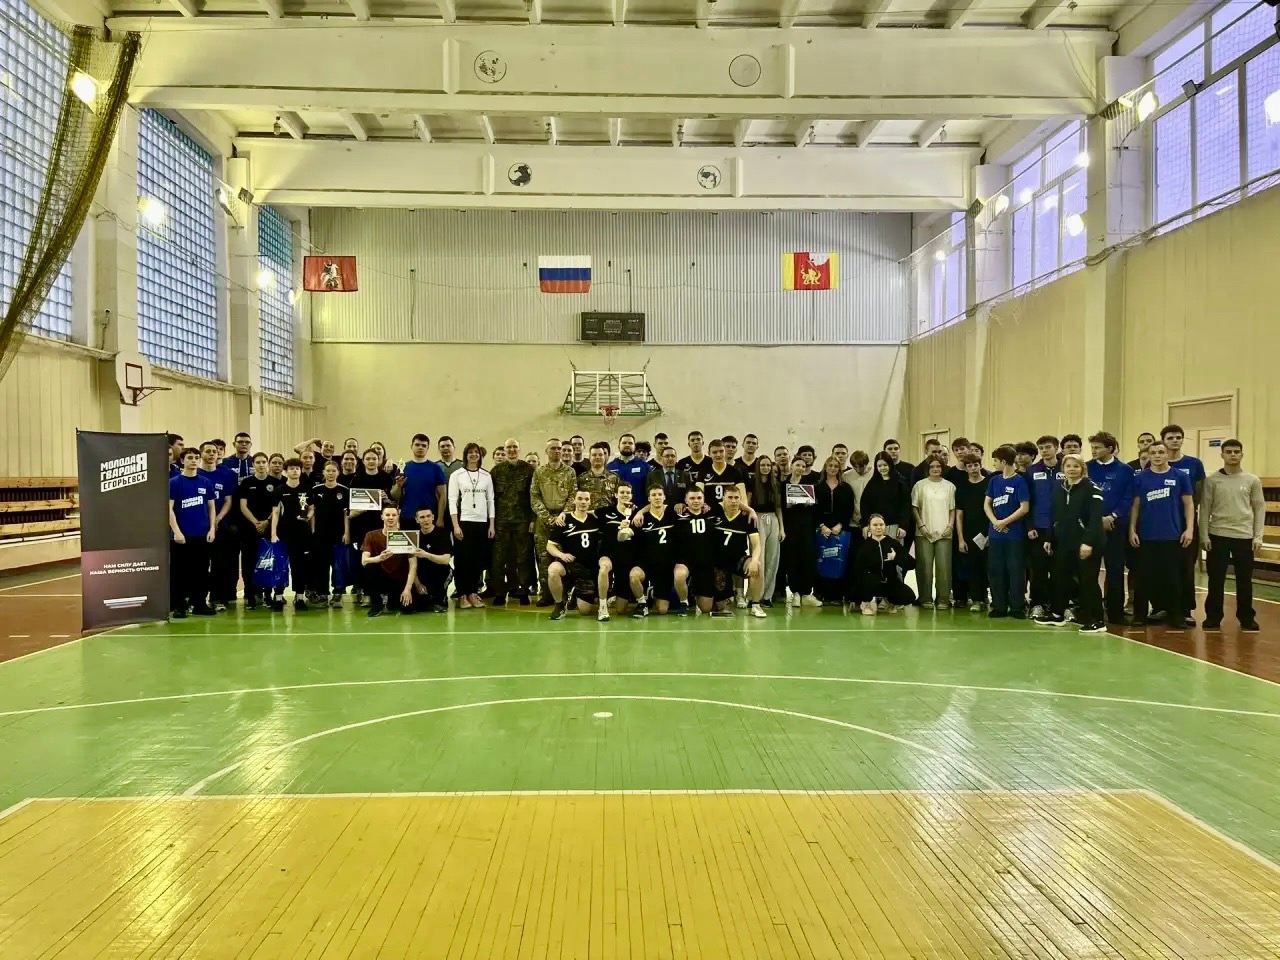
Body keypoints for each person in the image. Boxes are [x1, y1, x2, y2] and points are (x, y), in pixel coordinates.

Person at [1129, 440, 1195, 630]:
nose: (1157, 456)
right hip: (1146, 536)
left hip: (1172, 536)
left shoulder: (1180, 476)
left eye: (1160, 452)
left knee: (1174, 578)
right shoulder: (1140, 478)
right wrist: (1132, 529)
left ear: (1167, 455)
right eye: (1153, 453)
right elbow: (1135, 505)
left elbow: (1189, 504)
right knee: (1143, 578)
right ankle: (1140, 615)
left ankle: (1176, 616)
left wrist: (1189, 529)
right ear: (1148, 456)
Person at [1036, 453, 1106, 631]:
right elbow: (1054, 514)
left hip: (1086, 543)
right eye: (1068, 466)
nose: (1072, 469)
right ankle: (1057, 614)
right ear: (1063, 469)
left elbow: (1095, 519)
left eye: (1076, 466)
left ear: (1082, 468)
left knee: (1087, 581)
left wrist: (1088, 542)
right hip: (1063, 542)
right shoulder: (1059, 488)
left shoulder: (1092, 489)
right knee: (1059, 578)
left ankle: (1096, 620)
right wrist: (1049, 538)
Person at [1201, 439, 1264, 632]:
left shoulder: (1252, 480)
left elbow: (1259, 508)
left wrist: (1258, 536)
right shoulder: (1212, 480)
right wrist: (1204, 535)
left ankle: (1246, 617)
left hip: (1244, 537)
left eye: (1236, 451)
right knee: (1216, 580)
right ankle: (1213, 617)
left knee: (1244, 580)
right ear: (1222, 455)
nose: (1233, 455)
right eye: (1229, 452)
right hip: (1218, 535)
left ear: (1242, 455)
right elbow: (1205, 509)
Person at [1087, 432, 1136, 625]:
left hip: (1116, 526)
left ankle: (1115, 612)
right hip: (1092, 527)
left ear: (1110, 448)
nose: (1093, 451)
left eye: (1097, 448)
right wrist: (1096, 519)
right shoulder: (1087, 468)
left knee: (1115, 571)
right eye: (1092, 447)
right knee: (1090, 571)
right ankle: (1093, 611)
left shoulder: (1125, 470)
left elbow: (1128, 497)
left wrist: (1113, 516)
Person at [1162, 423, 1207, 626]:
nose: (1174, 441)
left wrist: (1189, 521)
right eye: (1170, 437)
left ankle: (1185, 609)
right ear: (1164, 441)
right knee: (1163, 567)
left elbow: (1199, 494)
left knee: (1186, 567)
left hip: (1185, 522)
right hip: (1162, 523)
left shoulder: (1194, 464)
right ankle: (1162, 607)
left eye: (1178, 437)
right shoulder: (1156, 463)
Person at [168, 448, 216, 619]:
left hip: (201, 535)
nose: (194, 460)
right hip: (181, 537)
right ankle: (179, 606)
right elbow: (169, 509)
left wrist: (212, 528)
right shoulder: (174, 483)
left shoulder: (206, 482)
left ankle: (199, 603)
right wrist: (176, 531)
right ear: (182, 461)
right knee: (179, 572)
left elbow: (211, 507)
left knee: (201, 572)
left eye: (196, 457)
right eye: (190, 457)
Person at [984, 445, 1031, 619]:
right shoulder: (994, 481)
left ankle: (1017, 606)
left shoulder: (1019, 481)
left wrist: (1005, 522)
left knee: (1016, 570)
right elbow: (987, 504)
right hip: (996, 534)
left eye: (996, 460)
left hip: (1014, 534)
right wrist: (995, 522)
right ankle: (999, 605)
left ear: (1004, 461)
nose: (994, 464)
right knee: (996, 570)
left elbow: (1024, 507)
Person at [531, 438, 579, 605]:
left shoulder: (570, 472)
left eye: (559, 448)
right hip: (544, 522)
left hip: (564, 520)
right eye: (553, 448)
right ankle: (546, 594)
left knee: (565, 558)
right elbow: (534, 496)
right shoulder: (539, 472)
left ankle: (564, 594)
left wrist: (563, 514)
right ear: (546, 451)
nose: (557, 451)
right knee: (544, 558)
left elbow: (573, 495)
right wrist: (547, 517)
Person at [346, 448, 395, 606]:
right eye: (368, 459)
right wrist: (359, 509)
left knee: (384, 557)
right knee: (365, 558)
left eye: (374, 458)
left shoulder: (386, 478)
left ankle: (383, 592)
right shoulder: (357, 478)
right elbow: (351, 506)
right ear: (363, 461)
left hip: (381, 524)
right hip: (362, 526)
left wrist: (386, 499)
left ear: (379, 460)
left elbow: (393, 502)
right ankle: (366, 592)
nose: (371, 461)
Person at [449, 442, 495, 608]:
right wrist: (455, 525)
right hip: (464, 522)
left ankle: (473, 593)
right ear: (465, 455)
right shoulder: (457, 475)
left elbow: (490, 501)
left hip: (482, 523)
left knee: (477, 560)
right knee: (463, 560)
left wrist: (491, 524)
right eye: (470, 452)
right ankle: (462, 594)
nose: (474, 455)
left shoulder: (486, 476)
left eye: (477, 452)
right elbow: (452, 501)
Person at [490, 438, 535, 606]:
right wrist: (491, 522)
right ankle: (500, 592)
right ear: (505, 450)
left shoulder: (528, 469)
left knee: (523, 558)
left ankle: (523, 591)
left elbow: (533, 496)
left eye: (515, 447)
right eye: (508, 447)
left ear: (519, 449)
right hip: (501, 522)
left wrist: (533, 519)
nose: (512, 450)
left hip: (522, 521)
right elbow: (491, 498)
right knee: (499, 558)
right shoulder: (496, 471)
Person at [547, 490, 604, 621]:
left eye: (586, 499)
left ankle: (574, 594)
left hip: (587, 569)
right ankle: (559, 605)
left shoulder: (595, 520)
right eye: (580, 499)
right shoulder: (564, 520)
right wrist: (561, 555)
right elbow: (549, 546)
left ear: (590, 502)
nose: (583, 502)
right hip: (569, 565)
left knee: (585, 611)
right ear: (574, 500)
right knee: (553, 569)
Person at [197, 440, 239, 611]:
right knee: (200, 565)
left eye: (214, 451)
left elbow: (228, 501)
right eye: (208, 451)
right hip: (199, 528)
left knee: (220, 564)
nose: (212, 454)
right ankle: (197, 600)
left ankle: (217, 598)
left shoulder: (227, 475)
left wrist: (218, 518)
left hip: (220, 527)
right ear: (201, 454)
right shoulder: (195, 474)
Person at [1025, 436, 1064, 618]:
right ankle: (1037, 604)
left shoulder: (1066, 468)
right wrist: (1029, 526)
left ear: (1056, 448)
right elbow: (1027, 501)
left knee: (1060, 569)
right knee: (1038, 569)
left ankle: (1060, 606)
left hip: (1061, 527)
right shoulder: (1032, 471)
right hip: (1038, 527)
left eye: (1048, 447)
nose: (1044, 451)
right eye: (1041, 448)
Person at [236, 453, 281, 611]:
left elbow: (277, 507)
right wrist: (255, 522)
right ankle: (250, 596)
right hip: (249, 529)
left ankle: (268, 595)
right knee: (249, 563)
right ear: (253, 464)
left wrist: (267, 521)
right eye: (258, 462)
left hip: (269, 529)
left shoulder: (275, 483)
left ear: (267, 464)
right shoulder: (246, 483)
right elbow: (243, 506)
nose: (261, 465)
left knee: (268, 562)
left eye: (263, 462)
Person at [848, 514, 916, 615]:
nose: (878, 527)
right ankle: (865, 603)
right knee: (868, 580)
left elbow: (911, 564)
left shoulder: (893, 543)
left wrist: (896, 557)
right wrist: (854, 597)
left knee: (908, 596)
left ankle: (890, 602)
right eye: (875, 525)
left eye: (881, 524)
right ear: (869, 527)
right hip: (871, 582)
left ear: (885, 526)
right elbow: (856, 570)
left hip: (889, 582)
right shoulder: (864, 546)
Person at [270, 458, 314, 612]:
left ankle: (299, 597)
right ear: (285, 471)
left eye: (297, 468)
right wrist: (273, 534)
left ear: (301, 471)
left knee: (299, 566)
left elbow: (311, 508)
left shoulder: (307, 489)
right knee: (280, 566)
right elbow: (275, 513)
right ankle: (278, 597)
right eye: (291, 468)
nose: (295, 471)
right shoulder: (279, 490)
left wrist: (307, 517)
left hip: (301, 534)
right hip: (283, 533)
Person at [629, 486, 681, 617]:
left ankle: (652, 593)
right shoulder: (641, 518)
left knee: (662, 610)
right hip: (647, 563)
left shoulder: (672, 513)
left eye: (659, 495)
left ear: (664, 497)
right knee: (634, 576)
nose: (657, 497)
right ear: (649, 499)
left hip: (665, 566)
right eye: (653, 495)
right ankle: (642, 603)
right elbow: (629, 535)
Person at [912, 457, 955, 608]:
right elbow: (914, 507)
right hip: (924, 532)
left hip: (944, 532)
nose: (935, 469)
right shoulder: (920, 485)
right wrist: (921, 526)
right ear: (927, 469)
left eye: (938, 466)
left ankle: (943, 598)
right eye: (932, 466)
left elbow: (952, 508)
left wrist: (950, 526)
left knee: (944, 567)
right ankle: (925, 598)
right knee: (924, 566)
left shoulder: (950, 486)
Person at [361, 504, 417, 617]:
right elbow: (364, 561)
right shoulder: (371, 535)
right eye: (387, 515)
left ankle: (392, 600)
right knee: (369, 567)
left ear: (398, 516)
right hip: (382, 578)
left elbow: (413, 565)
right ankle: (376, 604)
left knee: (407, 610)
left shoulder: (407, 536)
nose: (390, 518)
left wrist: (407, 589)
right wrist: (379, 558)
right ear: (382, 517)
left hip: (400, 580)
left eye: (393, 515)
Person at [779, 456, 820, 607]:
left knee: (807, 558)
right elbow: (779, 507)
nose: (800, 468)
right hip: (790, 527)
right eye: (798, 465)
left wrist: (811, 503)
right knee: (792, 558)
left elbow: (815, 508)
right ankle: (795, 592)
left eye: (803, 466)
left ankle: (806, 593)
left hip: (806, 527)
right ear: (791, 466)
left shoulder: (809, 486)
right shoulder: (783, 485)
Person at [813, 456, 855, 604]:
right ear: (825, 467)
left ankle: (837, 595)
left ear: (839, 469)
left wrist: (840, 525)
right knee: (822, 560)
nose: (833, 468)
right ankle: (821, 593)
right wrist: (822, 526)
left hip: (840, 530)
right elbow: (814, 509)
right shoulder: (817, 487)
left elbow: (849, 508)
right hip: (822, 530)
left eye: (836, 466)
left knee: (838, 560)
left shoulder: (846, 488)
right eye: (830, 465)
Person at [309, 459, 351, 607]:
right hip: (321, 533)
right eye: (328, 471)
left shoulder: (344, 491)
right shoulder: (316, 490)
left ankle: (338, 593)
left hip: (338, 534)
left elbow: (346, 514)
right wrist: (313, 531)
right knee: (322, 564)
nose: (331, 473)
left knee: (338, 564)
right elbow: (312, 512)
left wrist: (347, 532)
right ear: (324, 473)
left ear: (338, 472)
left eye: (334, 471)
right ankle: (323, 594)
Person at [595, 484, 639, 620]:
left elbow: (622, 538)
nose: (625, 494)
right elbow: (585, 512)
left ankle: (615, 596)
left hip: (626, 559)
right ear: (616, 495)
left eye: (628, 492)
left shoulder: (636, 514)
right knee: (604, 568)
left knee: (621, 610)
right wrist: (564, 514)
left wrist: (624, 529)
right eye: (622, 492)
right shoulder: (605, 512)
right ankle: (602, 607)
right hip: (608, 554)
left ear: (631, 495)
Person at [954, 453, 990, 611]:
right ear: (966, 468)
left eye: (976, 465)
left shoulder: (989, 484)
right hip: (970, 533)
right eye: (970, 466)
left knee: (988, 567)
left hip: (989, 531)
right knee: (973, 567)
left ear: (980, 465)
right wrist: (961, 539)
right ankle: (977, 600)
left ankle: (987, 595)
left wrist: (991, 533)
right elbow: (959, 515)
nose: (973, 468)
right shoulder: (962, 488)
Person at [748, 456, 784, 606]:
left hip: (773, 520)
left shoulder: (775, 484)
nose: (766, 468)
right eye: (763, 465)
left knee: (772, 559)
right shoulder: (752, 482)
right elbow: (748, 504)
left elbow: (778, 508)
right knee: (759, 559)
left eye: (768, 465)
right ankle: (755, 595)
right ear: (758, 467)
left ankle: (767, 596)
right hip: (757, 519)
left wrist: (781, 528)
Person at [393, 434, 448, 528]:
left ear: (427, 448)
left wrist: (440, 518)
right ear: (411, 446)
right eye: (417, 445)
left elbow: (442, 495)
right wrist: (398, 486)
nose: (420, 447)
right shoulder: (403, 468)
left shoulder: (435, 468)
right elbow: (394, 496)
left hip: (428, 518)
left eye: (424, 445)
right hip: (408, 516)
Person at [410, 507, 453, 612]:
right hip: (421, 574)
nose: (426, 520)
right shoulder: (413, 537)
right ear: (417, 520)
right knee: (415, 607)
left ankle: (440, 597)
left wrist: (426, 555)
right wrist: (417, 583)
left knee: (438, 605)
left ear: (433, 517)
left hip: (440, 573)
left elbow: (445, 560)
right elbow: (411, 564)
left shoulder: (444, 534)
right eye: (422, 517)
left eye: (428, 516)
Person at [859, 453, 911, 540]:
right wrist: (865, 524)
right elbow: (865, 505)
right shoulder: (872, 483)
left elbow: (905, 505)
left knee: (893, 549)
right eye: (879, 466)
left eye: (885, 465)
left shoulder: (900, 482)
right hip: (875, 526)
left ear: (890, 465)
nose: (882, 468)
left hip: (894, 527)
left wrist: (903, 526)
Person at [645, 445, 695, 514]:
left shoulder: (685, 475)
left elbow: (689, 495)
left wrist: (683, 504)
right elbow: (648, 496)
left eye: (673, 456)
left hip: (680, 512)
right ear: (661, 458)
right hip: (659, 512)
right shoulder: (652, 476)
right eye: (667, 456)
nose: (670, 458)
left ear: (676, 458)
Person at [699, 439, 745, 507]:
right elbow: (698, 495)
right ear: (709, 453)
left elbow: (743, 498)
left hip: (730, 510)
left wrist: (748, 510)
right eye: (714, 452)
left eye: (721, 451)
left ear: (725, 451)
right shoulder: (703, 471)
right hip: (709, 511)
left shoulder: (735, 471)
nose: (718, 455)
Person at [607, 433, 651, 502]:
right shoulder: (609, 467)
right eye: (624, 443)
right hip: (615, 507)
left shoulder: (645, 467)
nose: (627, 445)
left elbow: (650, 491)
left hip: (638, 508)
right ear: (618, 446)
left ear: (634, 447)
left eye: (630, 443)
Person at [577, 442, 622, 509]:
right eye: (594, 455)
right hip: (588, 514)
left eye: (600, 455)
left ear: (604, 457)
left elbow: (619, 500)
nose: (597, 457)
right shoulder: (581, 478)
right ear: (589, 458)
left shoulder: (614, 477)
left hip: (608, 514)